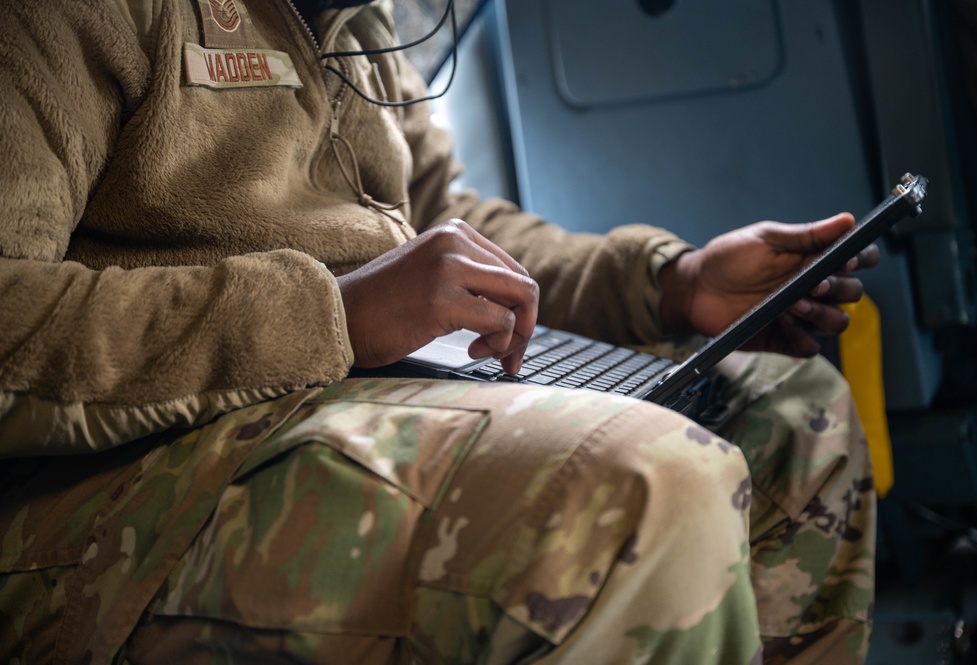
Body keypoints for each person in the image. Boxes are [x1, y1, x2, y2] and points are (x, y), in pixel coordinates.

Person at [0, 0, 877, 662]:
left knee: (791, 412)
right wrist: (332, 314)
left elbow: (438, 221)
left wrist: (665, 283)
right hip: (114, 488)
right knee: (652, 480)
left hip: (342, 398)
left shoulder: (361, 23)